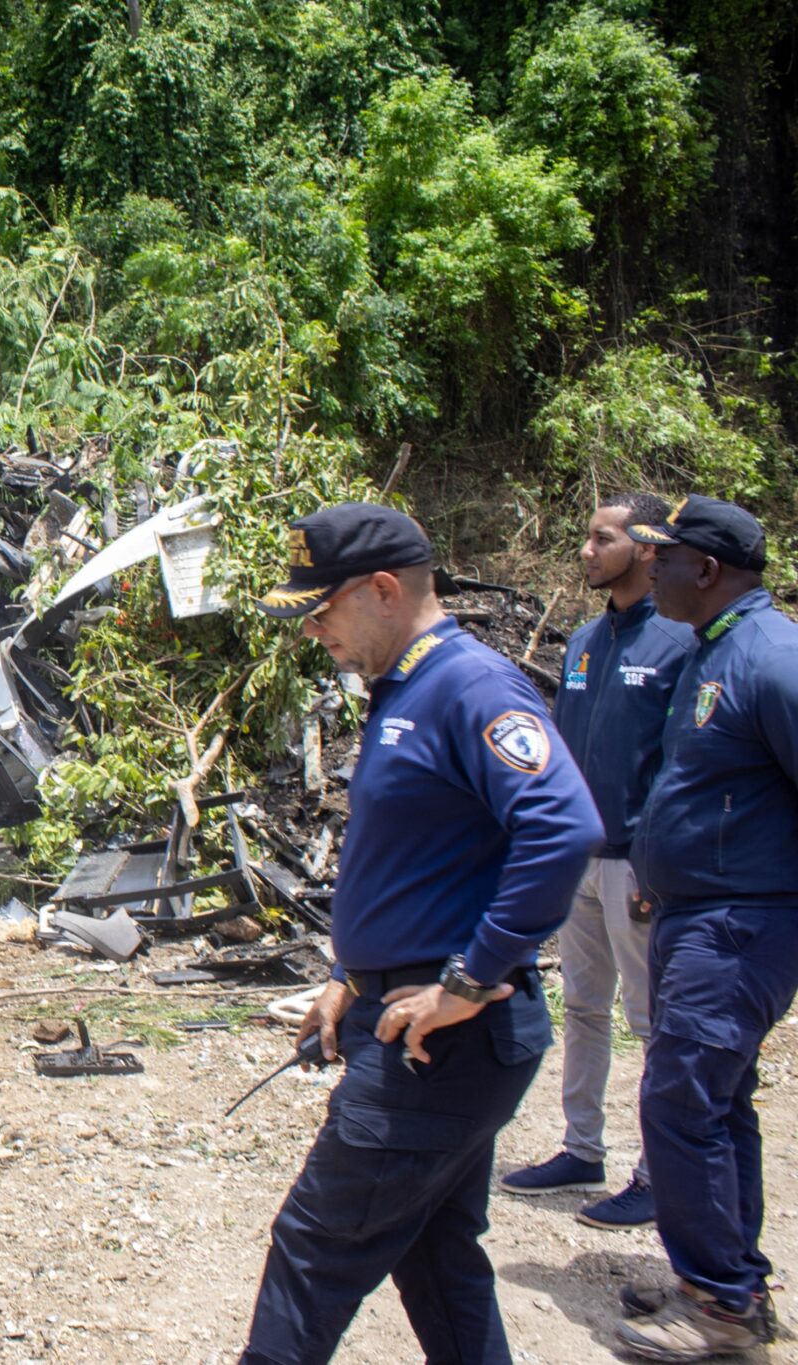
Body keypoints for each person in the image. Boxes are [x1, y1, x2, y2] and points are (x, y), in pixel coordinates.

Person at [238, 502, 602, 1365]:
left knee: (314, 1248)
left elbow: (563, 828)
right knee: (435, 1251)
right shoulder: (405, 686)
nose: (313, 630)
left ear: (384, 588)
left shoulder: (469, 686)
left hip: (440, 1040)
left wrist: (469, 978)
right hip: (406, 1017)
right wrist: (348, 975)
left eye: (322, 609)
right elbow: (419, 862)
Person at [608, 495, 798, 1361]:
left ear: (708, 569)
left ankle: (720, 1306)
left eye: (667, 556)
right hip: (702, 915)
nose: (655, 568)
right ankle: (730, 1281)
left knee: (680, 1100)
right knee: (717, 1102)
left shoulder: (771, 657)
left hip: (740, 925)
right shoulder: (711, 649)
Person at [500, 492, 694, 1228]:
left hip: (637, 866)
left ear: (646, 548)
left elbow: (682, 764)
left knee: (650, 1021)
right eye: (587, 537)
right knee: (583, 1007)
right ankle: (582, 1147)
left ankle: (658, 1172)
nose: (586, 550)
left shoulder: (678, 642)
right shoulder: (584, 640)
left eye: (601, 538)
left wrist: (656, 862)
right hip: (580, 860)